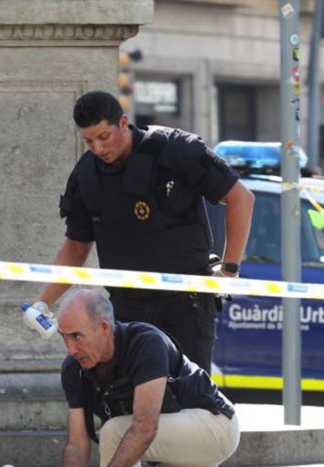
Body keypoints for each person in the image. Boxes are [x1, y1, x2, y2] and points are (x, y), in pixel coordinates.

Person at [55, 289, 323, 467]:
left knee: (116, 430)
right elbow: (77, 443)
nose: (70, 348)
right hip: (175, 446)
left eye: (76, 336)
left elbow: (145, 427)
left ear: (104, 327)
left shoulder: (145, 343)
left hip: (213, 426)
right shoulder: (75, 370)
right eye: (63, 337)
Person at [25, 90, 253, 373]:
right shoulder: (86, 176)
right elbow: (75, 247)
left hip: (185, 305)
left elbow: (241, 198)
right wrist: (43, 303)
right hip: (127, 310)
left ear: (123, 123)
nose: (97, 148)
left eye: (103, 137)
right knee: (128, 403)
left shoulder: (175, 149)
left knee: (190, 402)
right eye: (88, 141)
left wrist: (230, 270)